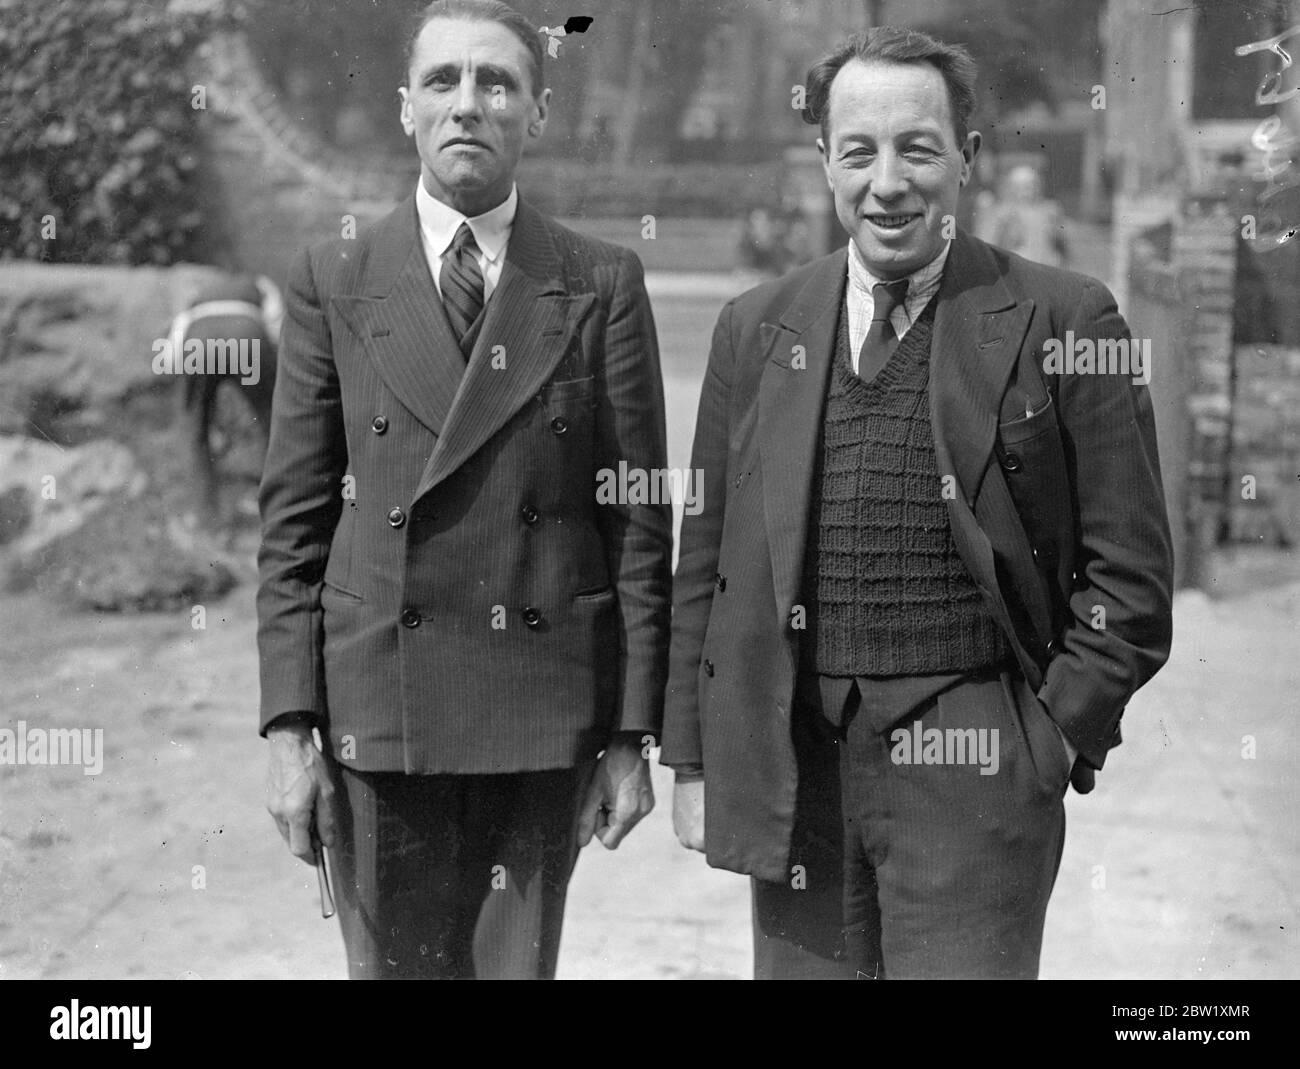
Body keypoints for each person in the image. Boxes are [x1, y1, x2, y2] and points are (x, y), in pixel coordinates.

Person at [661, 27, 1173, 979]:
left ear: (968, 160)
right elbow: (712, 562)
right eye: (858, 151)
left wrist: (1049, 741)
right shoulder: (755, 328)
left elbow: (1131, 582)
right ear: (825, 162)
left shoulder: (1062, 317)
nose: (887, 181)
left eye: (918, 148)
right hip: (800, 768)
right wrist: (693, 759)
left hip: (979, 769)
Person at [256, 0, 671, 979]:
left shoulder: (598, 281)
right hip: (381, 709)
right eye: (443, 82)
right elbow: (292, 522)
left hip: (538, 712)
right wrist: (286, 729)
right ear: (406, 108)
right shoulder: (336, 275)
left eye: (497, 83)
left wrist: (630, 734)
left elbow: (639, 521)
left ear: (535, 113)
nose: (467, 105)